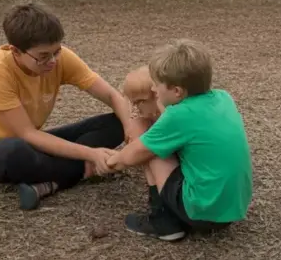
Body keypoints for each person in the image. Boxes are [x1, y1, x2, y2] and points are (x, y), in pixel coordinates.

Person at [0, 2, 132, 211]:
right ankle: (82, 171)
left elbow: (112, 95)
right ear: (15, 51)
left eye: (57, 51)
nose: (53, 61)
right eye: (43, 56)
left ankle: (52, 182)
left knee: (115, 123)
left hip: (36, 142)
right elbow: (27, 134)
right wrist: (91, 155)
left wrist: (129, 129)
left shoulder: (59, 58)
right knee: (15, 151)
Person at [106, 40, 252, 241]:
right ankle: (171, 215)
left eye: (157, 85)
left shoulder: (179, 116)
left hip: (203, 212)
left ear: (177, 91)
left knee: (147, 144)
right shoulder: (223, 98)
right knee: (162, 144)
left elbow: (130, 158)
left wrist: (107, 161)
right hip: (231, 209)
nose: (154, 91)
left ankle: (163, 221)